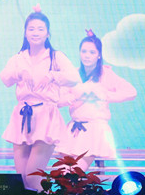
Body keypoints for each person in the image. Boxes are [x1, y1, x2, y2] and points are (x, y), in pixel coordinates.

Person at [0, 6, 78, 195]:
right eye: (31, 29)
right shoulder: (19, 58)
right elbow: (5, 78)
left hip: (45, 116)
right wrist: (19, 72)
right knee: (23, 177)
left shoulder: (55, 56)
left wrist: (53, 76)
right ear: (25, 32)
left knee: (33, 176)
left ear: (48, 33)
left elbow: (74, 78)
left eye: (40, 29)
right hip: (22, 116)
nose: (35, 32)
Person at [57, 30, 137, 170]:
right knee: (63, 175)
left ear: (99, 55)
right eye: (84, 51)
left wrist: (104, 96)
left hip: (94, 130)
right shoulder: (73, 74)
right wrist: (73, 98)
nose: (87, 55)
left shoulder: (105, 74)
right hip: (74, 129)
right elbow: (57, 100)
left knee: (73, 173)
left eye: (92, 52)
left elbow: (131, 92)